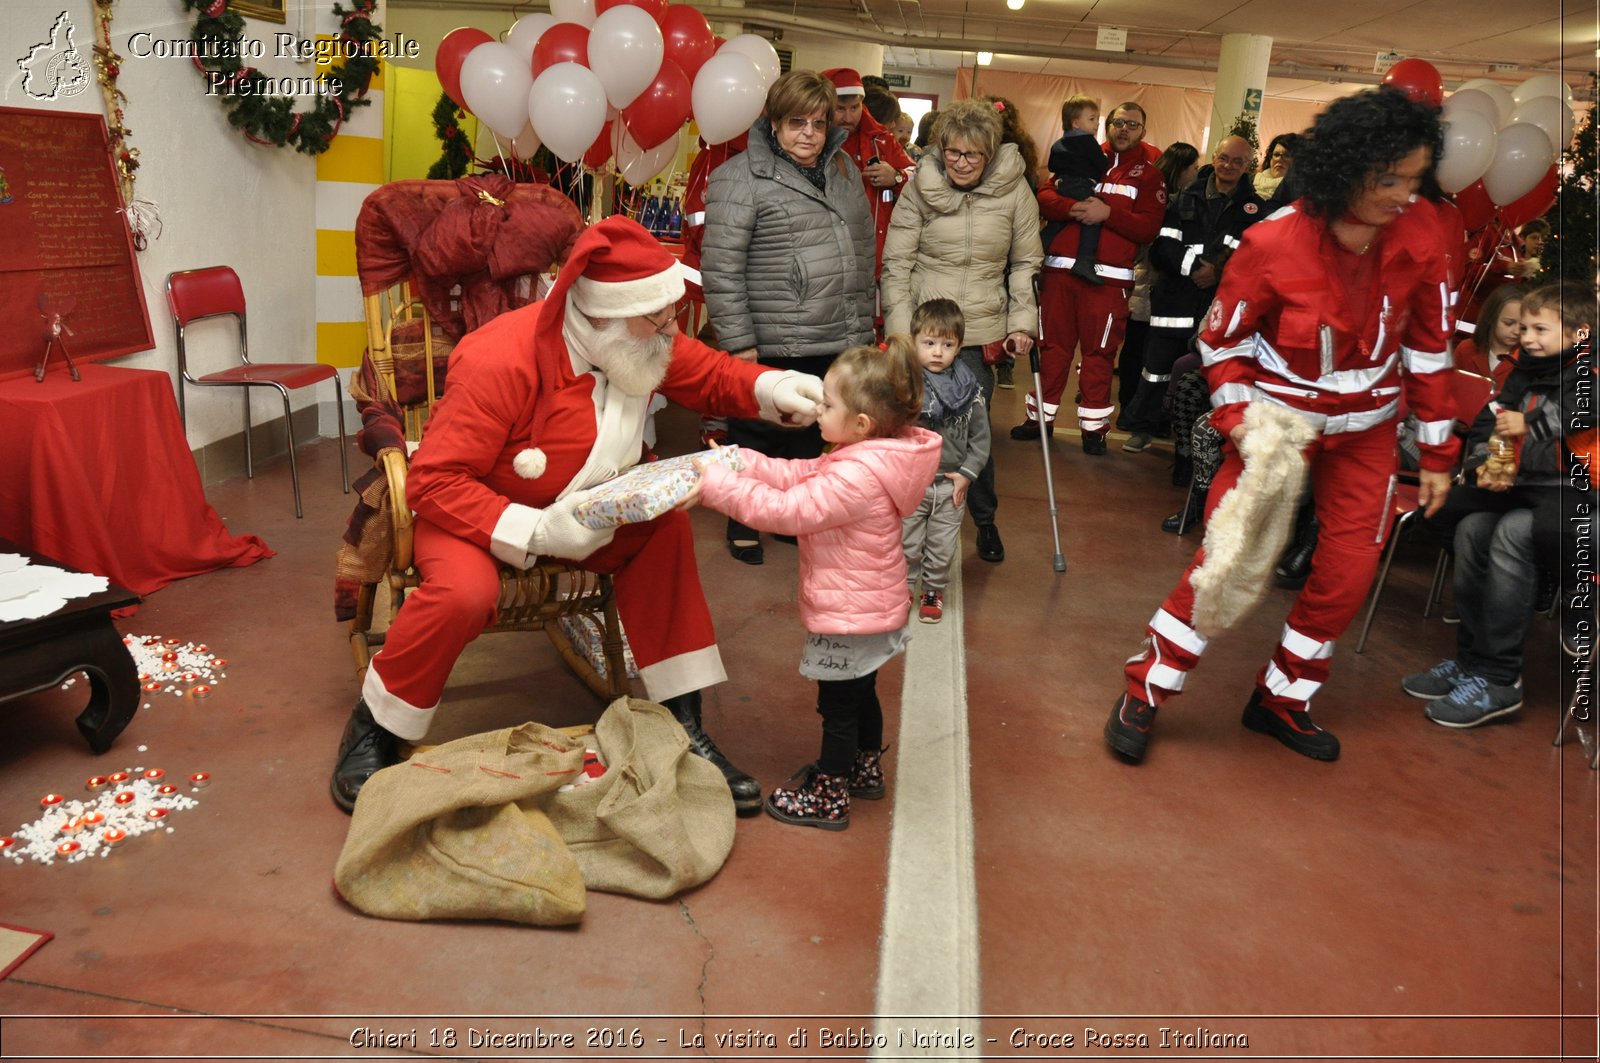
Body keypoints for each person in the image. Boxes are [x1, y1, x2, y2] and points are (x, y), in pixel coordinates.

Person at [329, 216, 828, 815]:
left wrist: (773, 387)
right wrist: (534, 530)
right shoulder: (499, 360)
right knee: (464, 592)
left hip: (589, 506)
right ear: (600, 316)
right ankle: (375, 727)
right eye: (659, 317)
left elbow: (712, 374)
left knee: (665, 529)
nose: (672, 329)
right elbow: (434, 482)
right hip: (478, 513)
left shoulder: (641, 336)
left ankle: (681, 724)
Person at [1104, 87, 1459, 763]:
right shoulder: (1274, 242)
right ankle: (1145, 686)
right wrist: (1246, 427)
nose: (1403, 196)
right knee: (1226, 558)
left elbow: (1431, 344)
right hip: (1277, 427)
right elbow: (1222, 344)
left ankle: (1282, 697)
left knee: (1349, 571)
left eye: (1415, 180)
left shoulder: (1424, 233)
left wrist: (1439, 449)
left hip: (1370, 433)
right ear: (1347, 169)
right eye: (1389, 180)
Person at [693, 340, 940, 829]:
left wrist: (715, 485)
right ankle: (864, 770)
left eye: (828, 404)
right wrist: (742, 462)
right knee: (862, 693)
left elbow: (788, 511)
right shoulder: (866, 458)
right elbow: (799, 473)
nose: (818, 410)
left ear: (862, 425)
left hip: (848, 614)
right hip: (872, 606)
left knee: (838, 707)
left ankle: (830, 793)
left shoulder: (856, 475)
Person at [702, 69, 876, 567]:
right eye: (796, 122)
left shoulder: (843, 171)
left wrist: (860, 331)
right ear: (774, 123)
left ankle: (789, 519)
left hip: (834, 330)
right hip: (770, 335)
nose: (809, 134)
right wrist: (737, 341)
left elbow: (861, 254)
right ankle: (744, 522)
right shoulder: (738, 178)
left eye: (819, 123)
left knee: (809, 435)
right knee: (757, 436)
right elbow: (721, 267)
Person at [1404, 282, 1596, 725]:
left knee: (1512, 532)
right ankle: (1473, 662)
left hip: (1571, 489)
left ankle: (1500, 677)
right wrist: (1478, 464)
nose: (1526, 337)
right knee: (1459, 520)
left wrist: (1526, 424)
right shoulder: (1524, 367)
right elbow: (1490, 420)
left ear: (1578, 334)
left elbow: (1577, 414)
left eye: (1539, 329)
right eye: (1523, 327)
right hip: (1521, 483)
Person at [880, 98, 1042, 565]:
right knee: (910, 425)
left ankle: (984, 519)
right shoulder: (919, 188)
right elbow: (897, 263)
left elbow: (1026, 263)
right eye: (953, 153)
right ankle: (902, 517)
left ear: (990, 154)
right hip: (923, 330)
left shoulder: (1015, 192)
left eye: (972, 155)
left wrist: (1021, 324)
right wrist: (899, 331)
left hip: (978, 331)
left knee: (971, 432)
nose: (961, 163)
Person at [1018, 101, 1167, 453]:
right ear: (1107, 126)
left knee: (1100, 353)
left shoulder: (1149, 175)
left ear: (1143, 131)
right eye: (1118, 122)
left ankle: (1094, 429)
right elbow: (1045, 195)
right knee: (1051, 347)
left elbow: (1148, 227)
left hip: (1108, 281)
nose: (1124, 129)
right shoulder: (1082, 152)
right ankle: (1039, 419)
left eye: (1133, 124)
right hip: (1059, 272)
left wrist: (1107, 213)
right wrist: (1073, 208)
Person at [1120, 135, 1267, 455]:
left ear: (1248, 166)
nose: (1229, 166)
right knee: (1155, 368)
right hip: (1176, 296)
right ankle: (1142, 427)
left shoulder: (1254, 209)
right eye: (1225, 158)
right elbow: (1163, 246)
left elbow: (1253, 255)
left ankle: (1193, 441)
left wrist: (1217, 272)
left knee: (1211, 374)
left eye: (1238, 161)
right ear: (1214, 158)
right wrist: (1194, 269)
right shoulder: (1183, 198)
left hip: (1218, 303)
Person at [902, 299, 991, 624]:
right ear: (914, 343)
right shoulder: (905, 387)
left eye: (947, 344)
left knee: (941, 548)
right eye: (929, 343)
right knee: (907, 544)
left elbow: (981, 440)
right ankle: (904, 589)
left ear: (959, 347)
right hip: (912, 485)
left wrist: (967, 474)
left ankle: (933, 590)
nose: (937, 352)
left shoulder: (970, 391)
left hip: (951, 485)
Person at [1118, 142, 1200, 428]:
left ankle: (1129, 409)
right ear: (1183, 170)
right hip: (1150, 285)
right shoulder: (1169, 201)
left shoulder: (1153, 190)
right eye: (1194, 168)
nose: (1197, 174)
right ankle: (1133, 412)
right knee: (1142, 354)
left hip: (1141, 283)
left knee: (1135, 350)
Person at [822, 67, 915, 279]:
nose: (848, 117)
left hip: (873, 251)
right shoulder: (811, 138)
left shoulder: (882, 138)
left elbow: (917, 175)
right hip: (826, 251)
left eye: (855, 108)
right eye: (840, 109)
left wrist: (896, 176)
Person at [1040, 96, 1110, 286]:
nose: (1096, 124)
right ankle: (1085, 260)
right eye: (1092, 119)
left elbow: (1053, 165)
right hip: (1081, 185)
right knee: (1091, 218)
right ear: (1076, 122)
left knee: (1056, 224)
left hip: (1063, 185)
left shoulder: (1059, 143)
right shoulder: (1088, 141)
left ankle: (1036, 253)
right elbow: (1101, 164)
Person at [1452, 282, 1522, 388]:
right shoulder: (1466, 349)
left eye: (1523, 326)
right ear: (1491, 318)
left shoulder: (1528, 359)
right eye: (1509, 323)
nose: (1517, 331)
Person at [1254, 133, 1295, 201]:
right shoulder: (1252, 183)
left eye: (1287, 155)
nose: (1279, 159)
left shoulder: (1301, 194)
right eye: (1276, 154)